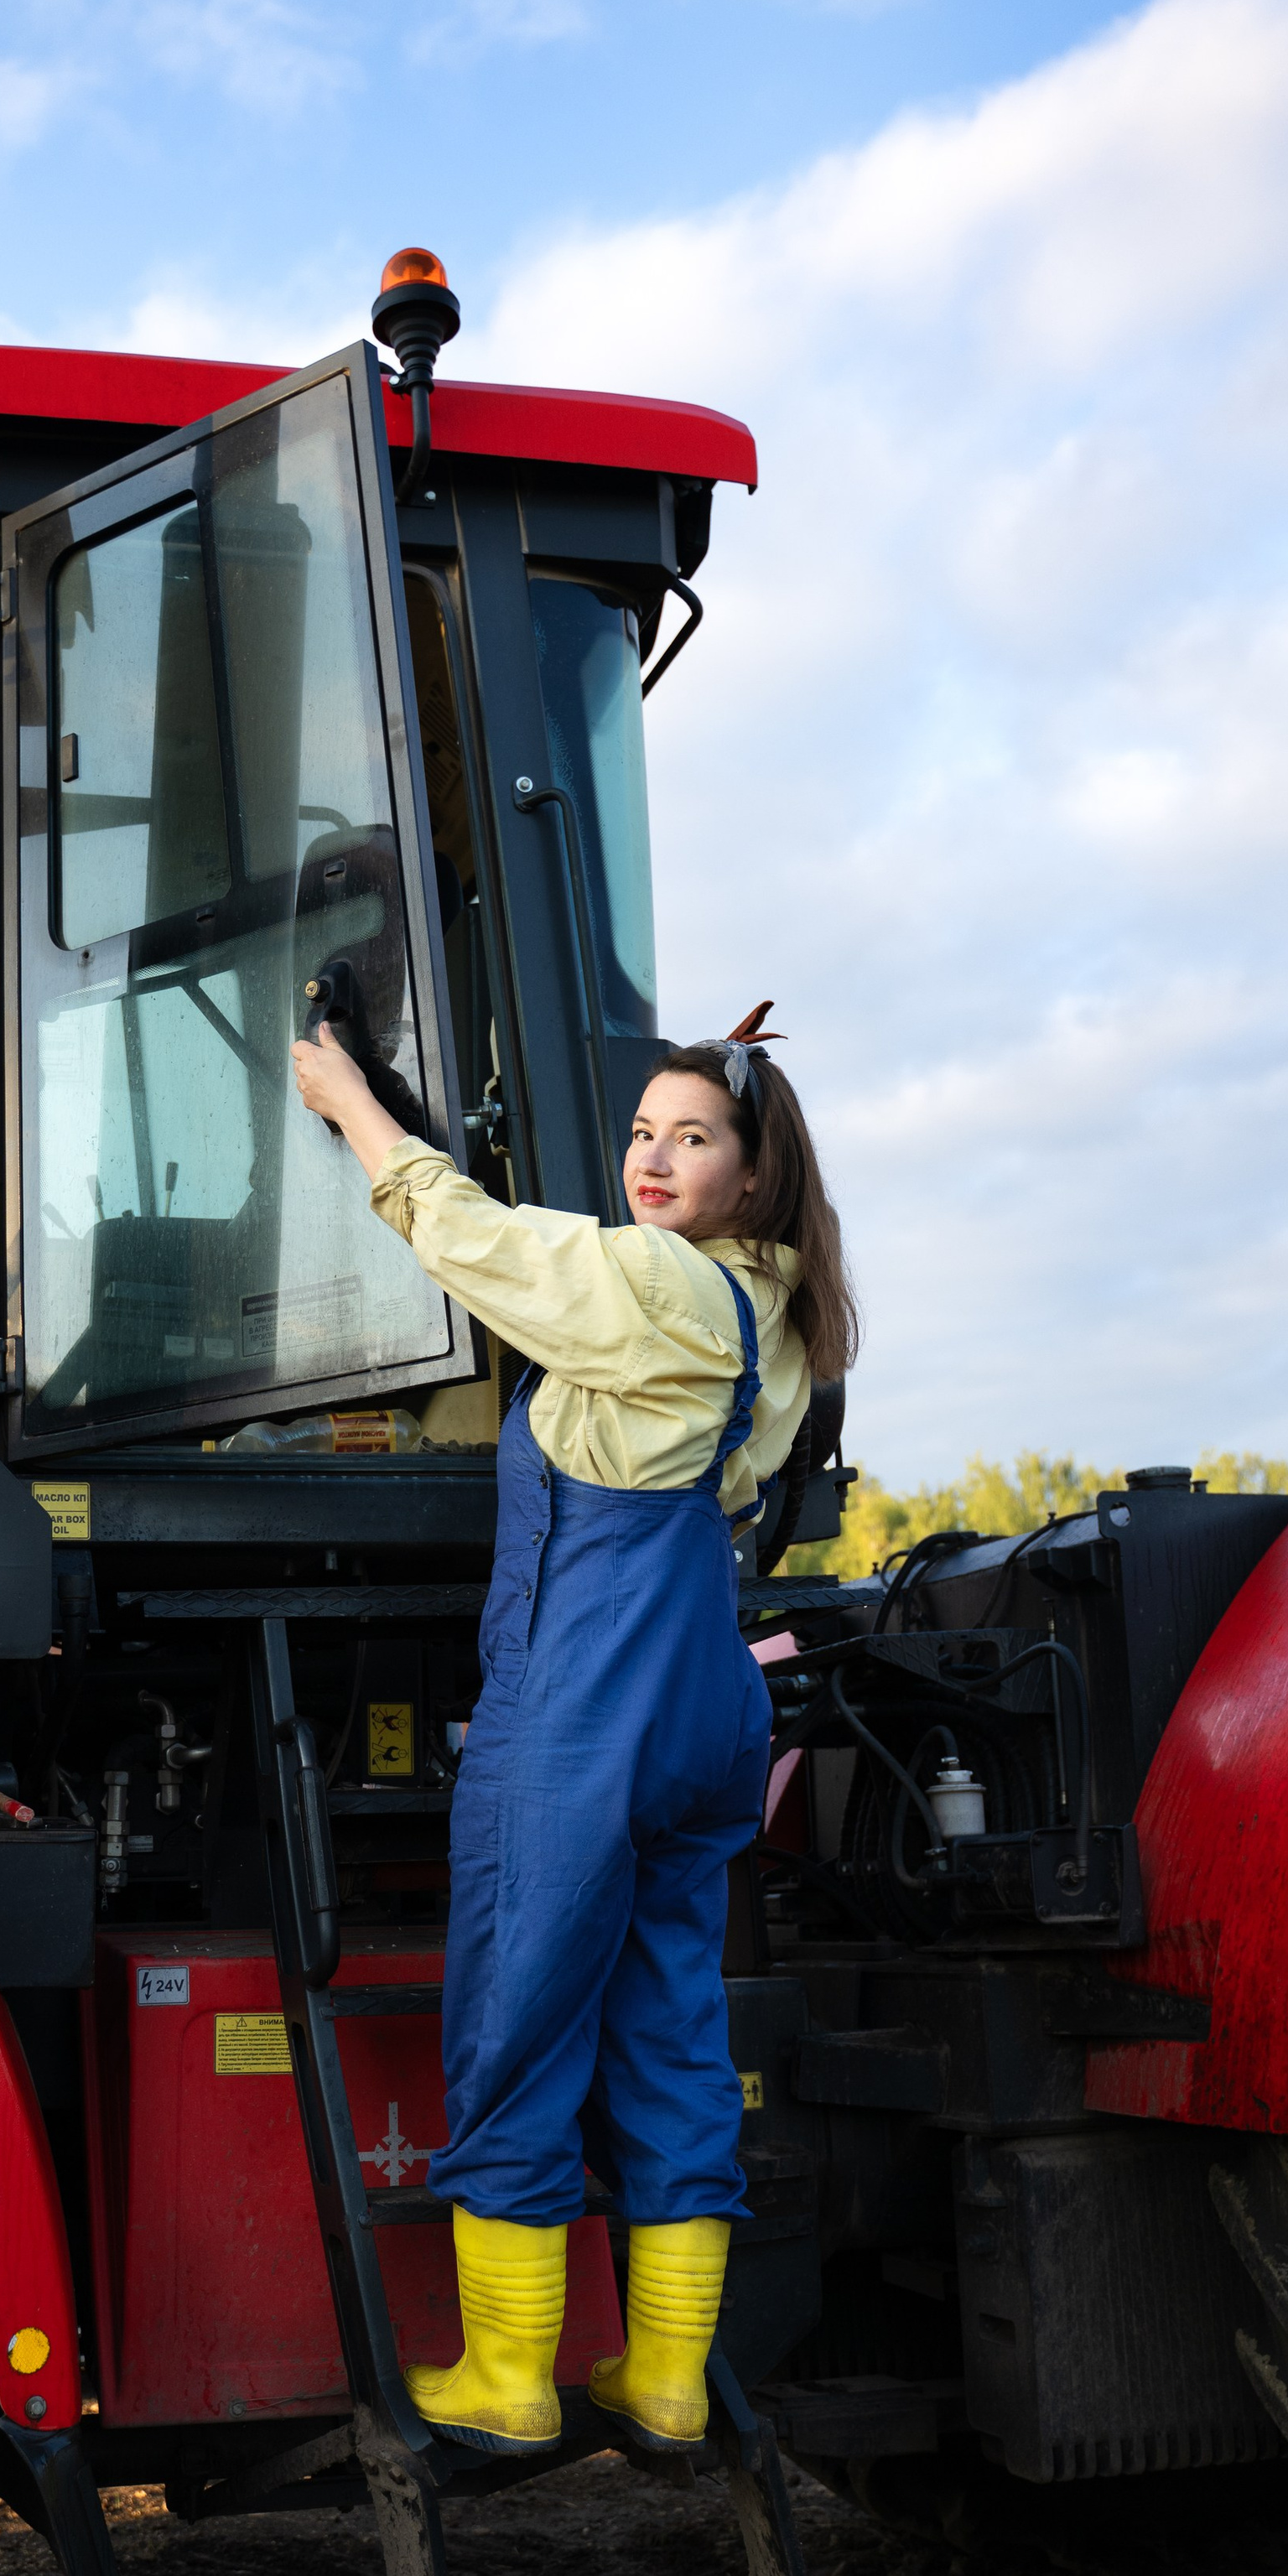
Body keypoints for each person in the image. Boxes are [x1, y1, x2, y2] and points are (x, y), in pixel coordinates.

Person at [288, 1005, 857, 2453]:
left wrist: (357, 1109)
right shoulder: (782, 1320)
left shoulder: (653, 1282)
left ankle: (508, 2374)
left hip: (590, 1695)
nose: (655, 1159)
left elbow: (480, 1245)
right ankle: (666, 2376)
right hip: (704, 1699)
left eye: (695, 1138)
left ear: (751, 1170)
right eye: (643, 1133)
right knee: (670, 2024)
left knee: (520, 2012)